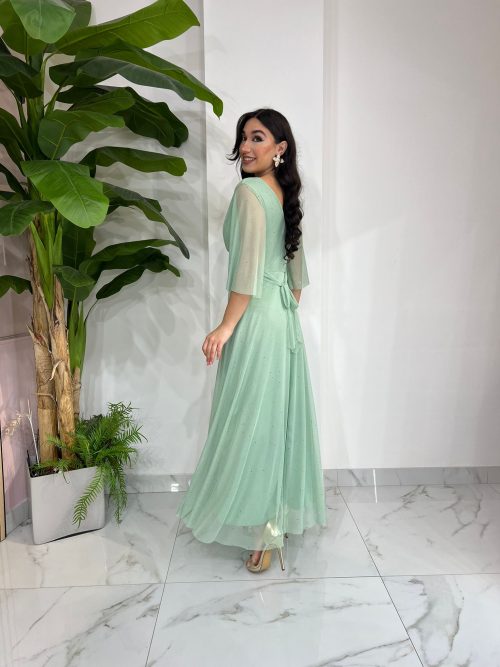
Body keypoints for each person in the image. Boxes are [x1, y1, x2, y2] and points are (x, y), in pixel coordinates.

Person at [176, 108, 327, 573]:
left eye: (257, 138)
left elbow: (245, 274)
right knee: (276, 423)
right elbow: (296, 280)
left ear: (280, 148)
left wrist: (226, 327)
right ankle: (273, 523)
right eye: (243, 137)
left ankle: (263, 531)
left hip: (256, 321)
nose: (245, 146)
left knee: (250, 424)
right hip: (283, 324)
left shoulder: (249, 192)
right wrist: (277, 315)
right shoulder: (284, 196)